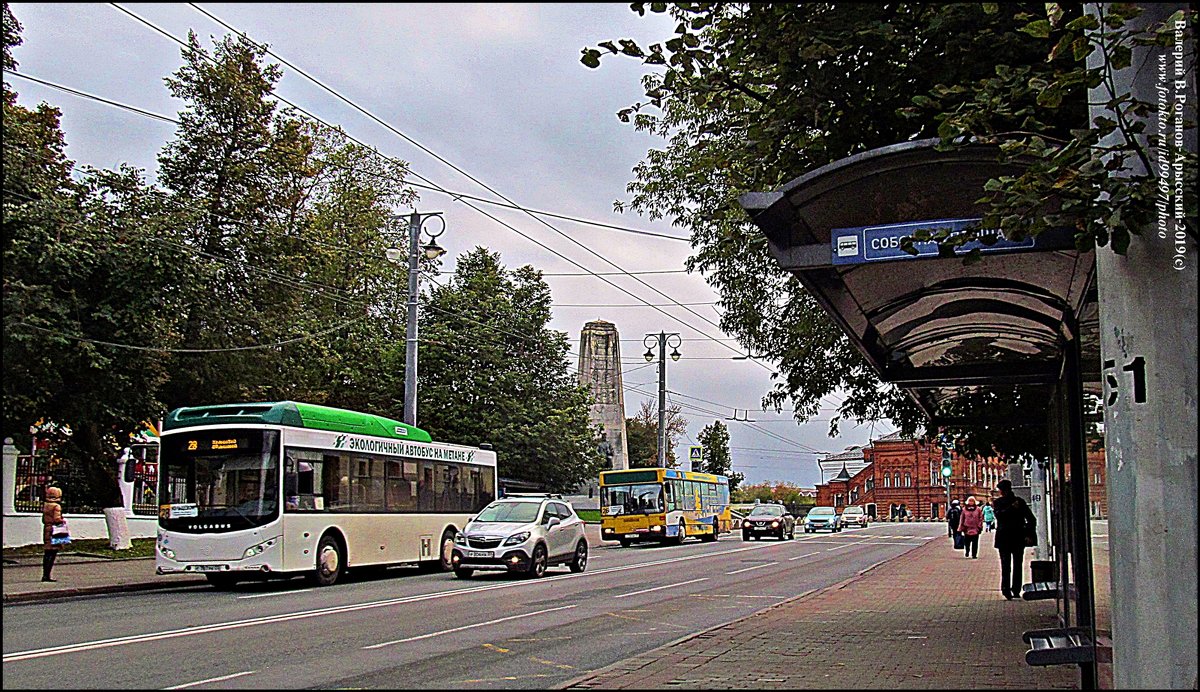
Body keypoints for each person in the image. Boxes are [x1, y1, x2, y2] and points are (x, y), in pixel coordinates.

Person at [993, 479, 1037, 600]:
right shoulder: (1019, 502)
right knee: (1017, 564)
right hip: (1018, 537)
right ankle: (1015, 589)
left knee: (1006, 565)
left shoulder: (999, 502)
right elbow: (1031, 520)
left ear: (1002, 490)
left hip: (1005, 537)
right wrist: (1028, 534)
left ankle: (1007, 590)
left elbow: (999, 516)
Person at [41, 486, 65, 582]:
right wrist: (62, 521)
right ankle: (47, 575)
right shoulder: (56, 506)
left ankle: (45, 574)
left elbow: (43, 519)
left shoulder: (46, 505)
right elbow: (57, 519)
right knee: (53, 552)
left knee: (47, 552)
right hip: (54, 530)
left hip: (46, 528)